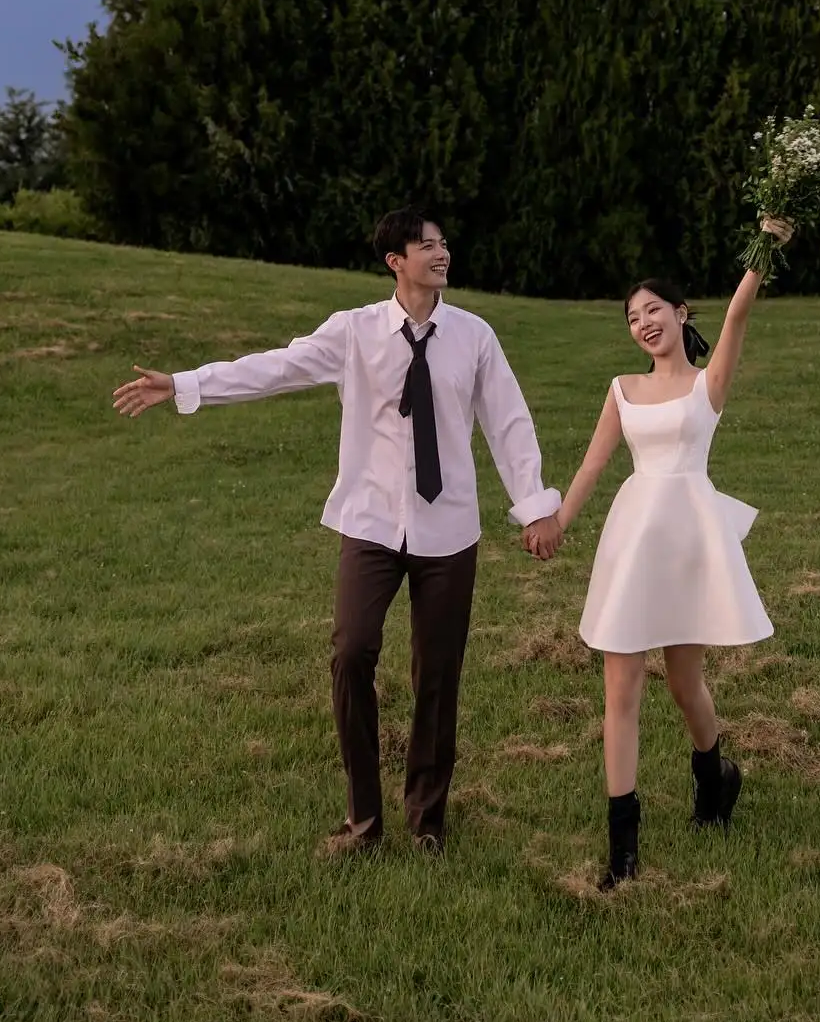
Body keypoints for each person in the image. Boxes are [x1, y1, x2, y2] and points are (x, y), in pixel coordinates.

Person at [112, 208, 563, 855]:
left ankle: (428, 818)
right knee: (351, 652)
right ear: (395, 261)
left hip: (449, 529)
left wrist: (534, 502)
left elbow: (509, 421)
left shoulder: (474, 335)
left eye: (443, 243)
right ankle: (363, 820)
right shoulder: (353, 332)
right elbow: (272, 367)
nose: (441, 253)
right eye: (426, 245)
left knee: (438, 672)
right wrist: (186, 384)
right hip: (372, 524)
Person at [539, 217, 790, 889]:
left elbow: (737, 316)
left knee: (684, 685)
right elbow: (593, 464)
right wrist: (556, 521)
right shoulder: (622, 389)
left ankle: (717, 775)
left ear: (680, 314)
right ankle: (623, 853)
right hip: (633, 543)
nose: (643, 322)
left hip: (688, 545)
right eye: (632, 317)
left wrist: (764, 246)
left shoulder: (707, 386)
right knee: (619, 689)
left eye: (654, 309)